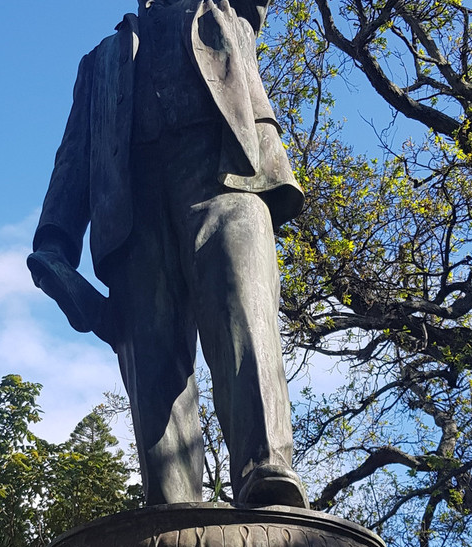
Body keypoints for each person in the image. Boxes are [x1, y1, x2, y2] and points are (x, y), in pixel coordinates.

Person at [28, 0, 308, 508]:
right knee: (150, 355)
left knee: (242, 313)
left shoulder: (226, 13)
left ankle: (267, 467)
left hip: (225, 176)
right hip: (132, 204)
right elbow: (74, 154)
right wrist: (54, 240)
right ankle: (171, 504)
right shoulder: (102, 60)